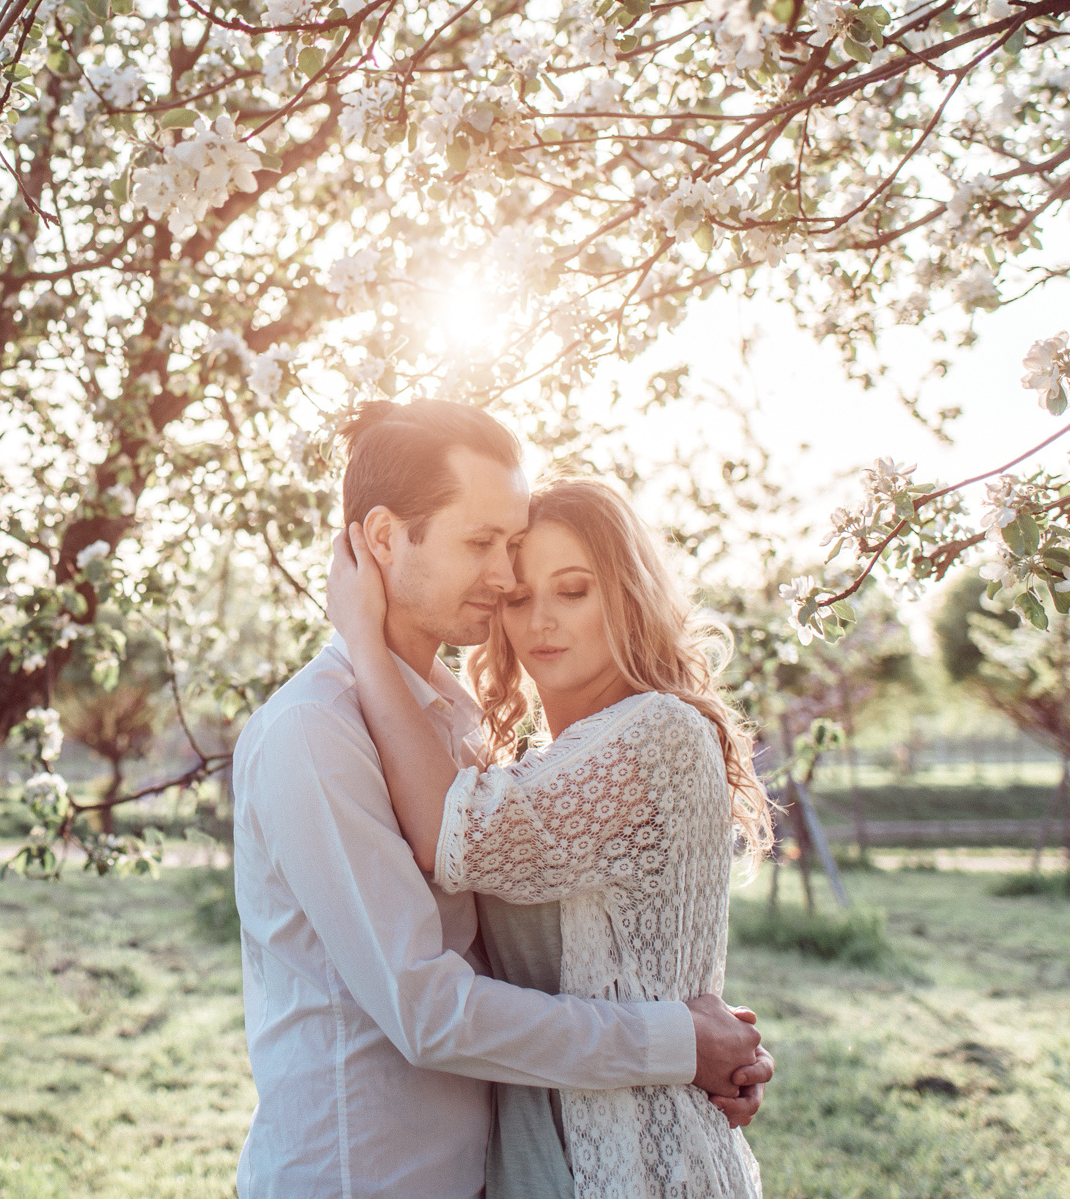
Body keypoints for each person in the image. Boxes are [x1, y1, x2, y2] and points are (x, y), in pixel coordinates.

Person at [234, 400, 770, 1199]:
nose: (506, 578)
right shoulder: (316, 732)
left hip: (503, 1173)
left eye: (509, 545)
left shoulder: (457, 729)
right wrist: (678, 1040)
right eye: (483, 544)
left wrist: (707, 1028)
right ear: (383, 539)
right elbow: (429, 1012)